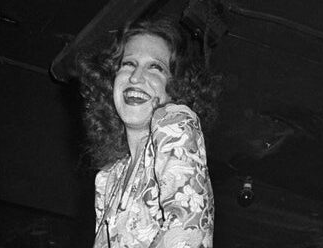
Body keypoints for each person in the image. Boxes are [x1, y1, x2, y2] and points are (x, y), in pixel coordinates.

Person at [74, 17, 221, 247]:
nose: (135, 77)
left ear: (175, 89)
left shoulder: (175, 122)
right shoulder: (109, 176)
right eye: (128, 64)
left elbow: (189, 234)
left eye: (155, 67)